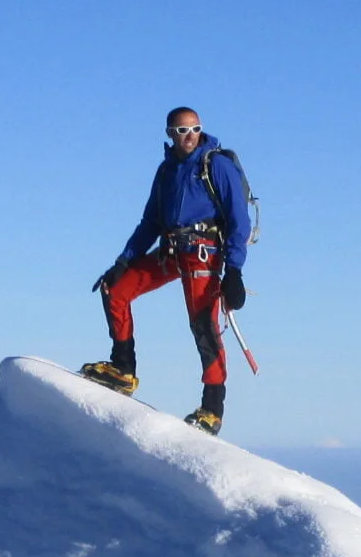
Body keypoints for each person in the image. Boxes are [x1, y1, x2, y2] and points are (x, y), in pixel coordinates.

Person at [80, 107, 252, 434]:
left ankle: (212, 408)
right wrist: (124, 262)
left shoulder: (216, 165)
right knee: (114, 290)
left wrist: (234, 270)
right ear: (170, 133)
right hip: (172, 251)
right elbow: (150, 222)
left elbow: (238, 220)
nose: (190, 136)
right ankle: (122, 369)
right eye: (182, 130)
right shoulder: (167, 171)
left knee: (204, 325)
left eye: (195, 129)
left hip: (203, 253)